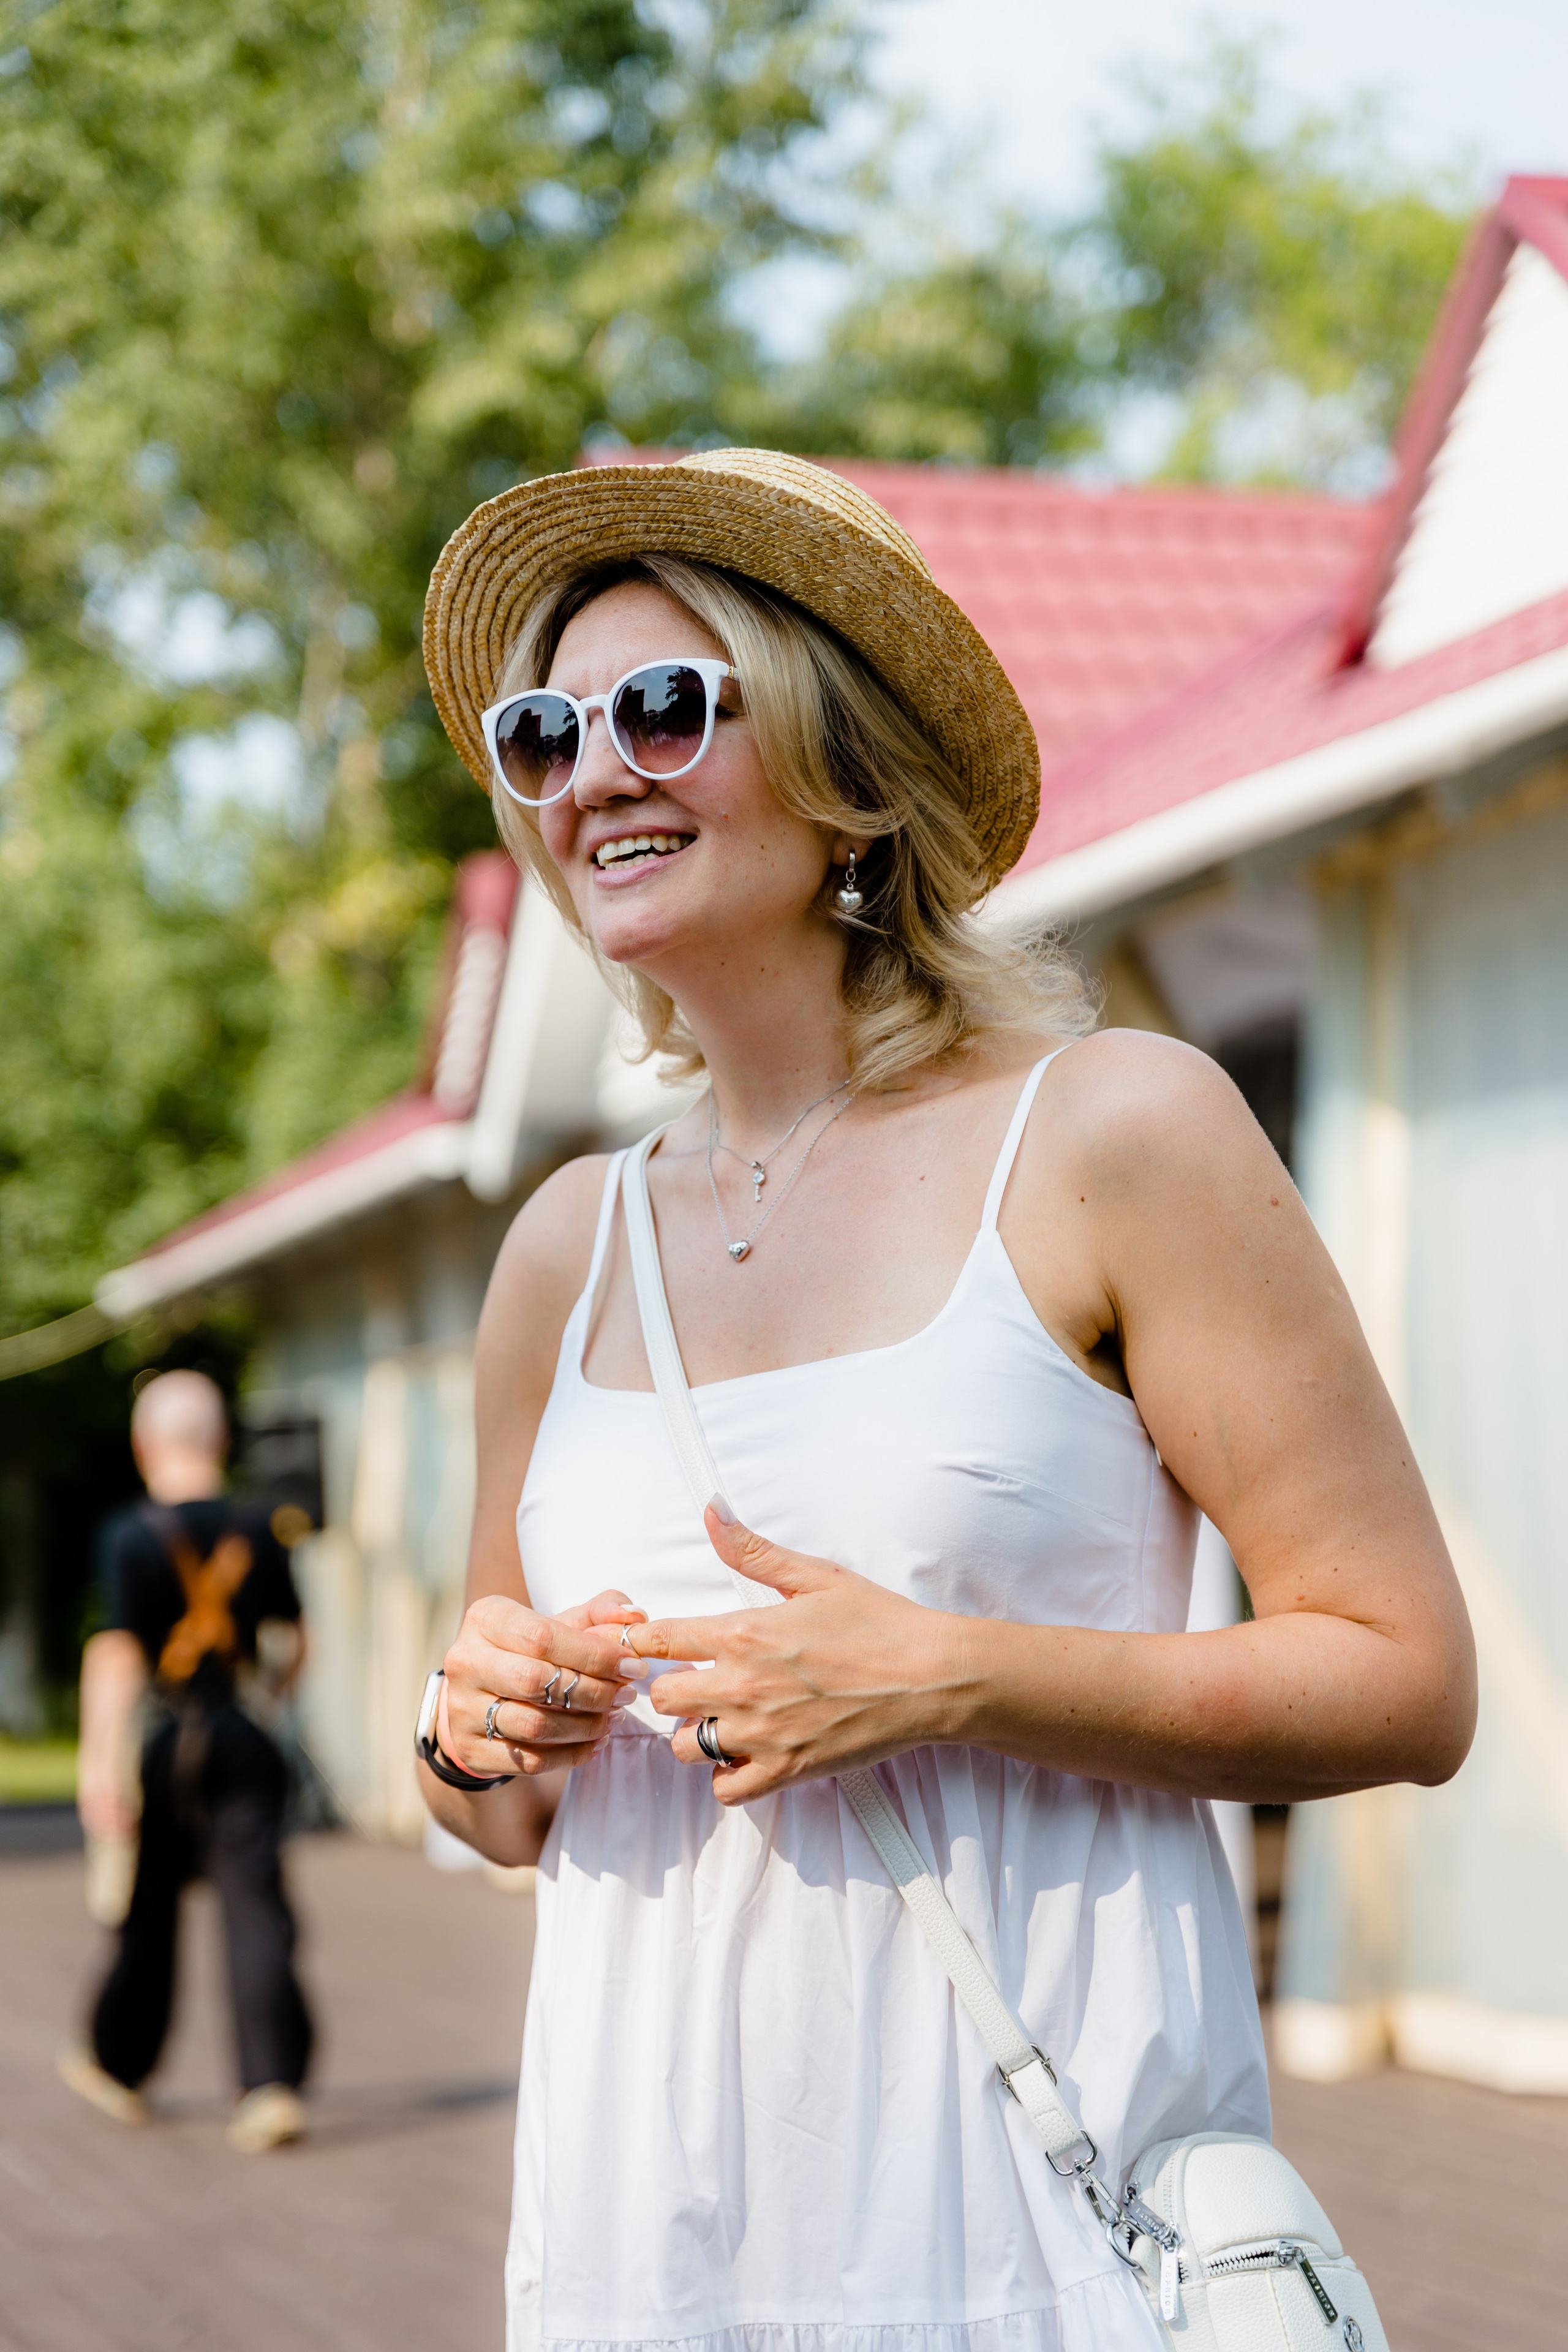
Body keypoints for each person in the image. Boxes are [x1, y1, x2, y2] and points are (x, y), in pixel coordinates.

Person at [417, 451, 1476, 2352]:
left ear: (844, 764)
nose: (593, 777)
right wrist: (475, 1731)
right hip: (641, 2260)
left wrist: (950, 1676)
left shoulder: (1114, 1133)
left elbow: (1406, 1679)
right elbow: (502, 1816)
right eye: (546, 736)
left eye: (662, 709)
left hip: (1029, 2245)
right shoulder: (564, 1247)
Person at [62, 1368, 313, 2154]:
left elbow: (116, 1656)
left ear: (144, 1445)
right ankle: (270, 2087)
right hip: (243, 1733)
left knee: (149, 1911)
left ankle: (120, 2067)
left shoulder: (130, 1534)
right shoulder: (261, 1527)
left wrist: (97, 1764)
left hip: (167, 1740)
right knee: (256, 1905)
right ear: (222, 1440)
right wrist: (268, 1702)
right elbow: (297, 1641)